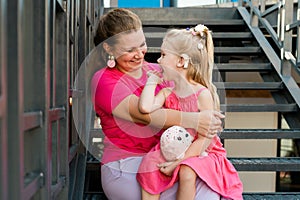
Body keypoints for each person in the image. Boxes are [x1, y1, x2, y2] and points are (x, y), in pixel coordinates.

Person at [90, 8, 225, 200]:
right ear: (109, 49)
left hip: (169, 154)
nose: (139, 54)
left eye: (142, 45)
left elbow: (188, 97)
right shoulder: (103, 80)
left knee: (208, 192)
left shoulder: (158, 70)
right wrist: (197, 119)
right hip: (127, 162)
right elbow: (144, 115)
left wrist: (208, 116)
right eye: (129, 50)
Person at [137, 25, 243, 200]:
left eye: (163, 55)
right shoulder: (167, 92)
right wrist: (152, 81)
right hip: (174, 146)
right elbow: (145, 108)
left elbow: (205, 138)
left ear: (181, 61)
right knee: (149, 163)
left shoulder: (202, 94)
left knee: (187, 170)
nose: (158, 60)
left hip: (201, 150)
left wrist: (177, 162)